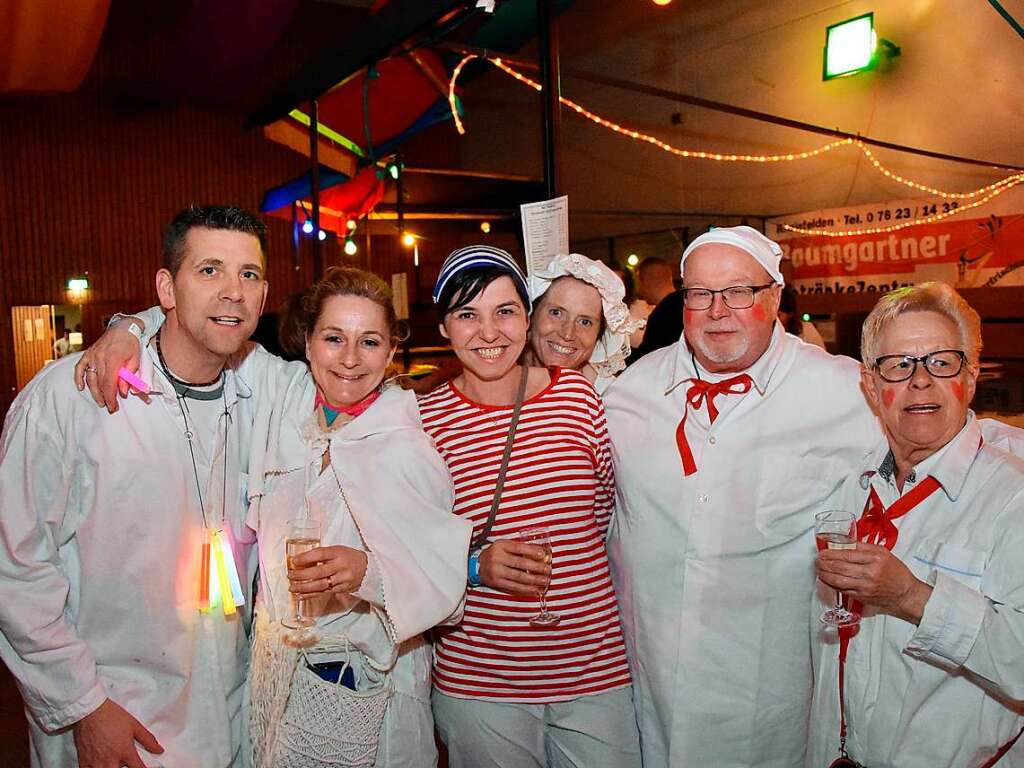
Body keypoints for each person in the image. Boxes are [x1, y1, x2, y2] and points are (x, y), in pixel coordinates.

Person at [0, 205, 269, 767]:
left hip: (229, 716)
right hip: (120, 721)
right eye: (210, 270)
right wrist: (85, 706)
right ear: (167, 289)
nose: (233, 292)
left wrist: (131, 322)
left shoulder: (262, 392)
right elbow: (15, 566)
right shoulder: (71, 398)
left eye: (249, 275)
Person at [603, 225, 882, 767]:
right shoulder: (629, 393)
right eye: (700, 294)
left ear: (774, 296)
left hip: (769, 695)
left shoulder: (845, 391)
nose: (717, 310)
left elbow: (941, 439)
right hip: (650, 683)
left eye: (739, 292)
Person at [419, 245, 641, 768]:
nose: (489, 332)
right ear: (445, 328)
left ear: (526, 317)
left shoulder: (579, 398)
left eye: (505, 311)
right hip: (480, 678)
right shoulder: (423, 421)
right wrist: (474, 565)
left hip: (593, 668)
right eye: (467, 314)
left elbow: (603, 514)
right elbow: (409, 545)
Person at [245, 267, 471, 767]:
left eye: (369, 342)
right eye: (333, 338)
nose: (349, 359)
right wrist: (126, 328)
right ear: (307, 343)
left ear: (391, 351)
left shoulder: (405, 447)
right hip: (277, 679)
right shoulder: (284, 409)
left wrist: (367, 572)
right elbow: (204, 335)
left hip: (369, 689)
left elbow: (447, 589)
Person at [809, 283, 1024, 768]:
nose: (920, 381)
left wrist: (912, 598)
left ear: (969, 380)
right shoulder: (847, 489)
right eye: (899, 365)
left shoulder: (1012, 496)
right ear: (870, 387)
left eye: (941, 362)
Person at [525, 252, 643, 393]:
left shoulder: (609, 398)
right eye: (556, 313)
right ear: (531, 316)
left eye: (585, 322)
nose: (568, 333)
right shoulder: (499, 381)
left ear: (599, 335)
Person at [627, 256, 675, 348]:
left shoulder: (661, 316)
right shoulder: (686, 306)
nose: (638, 290)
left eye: (638, 282)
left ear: (645, 281)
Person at [778, 285, 826, 349]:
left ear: (790, 314)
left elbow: (820, 354)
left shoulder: (806, 330)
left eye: (779, 315)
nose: (775, 319)